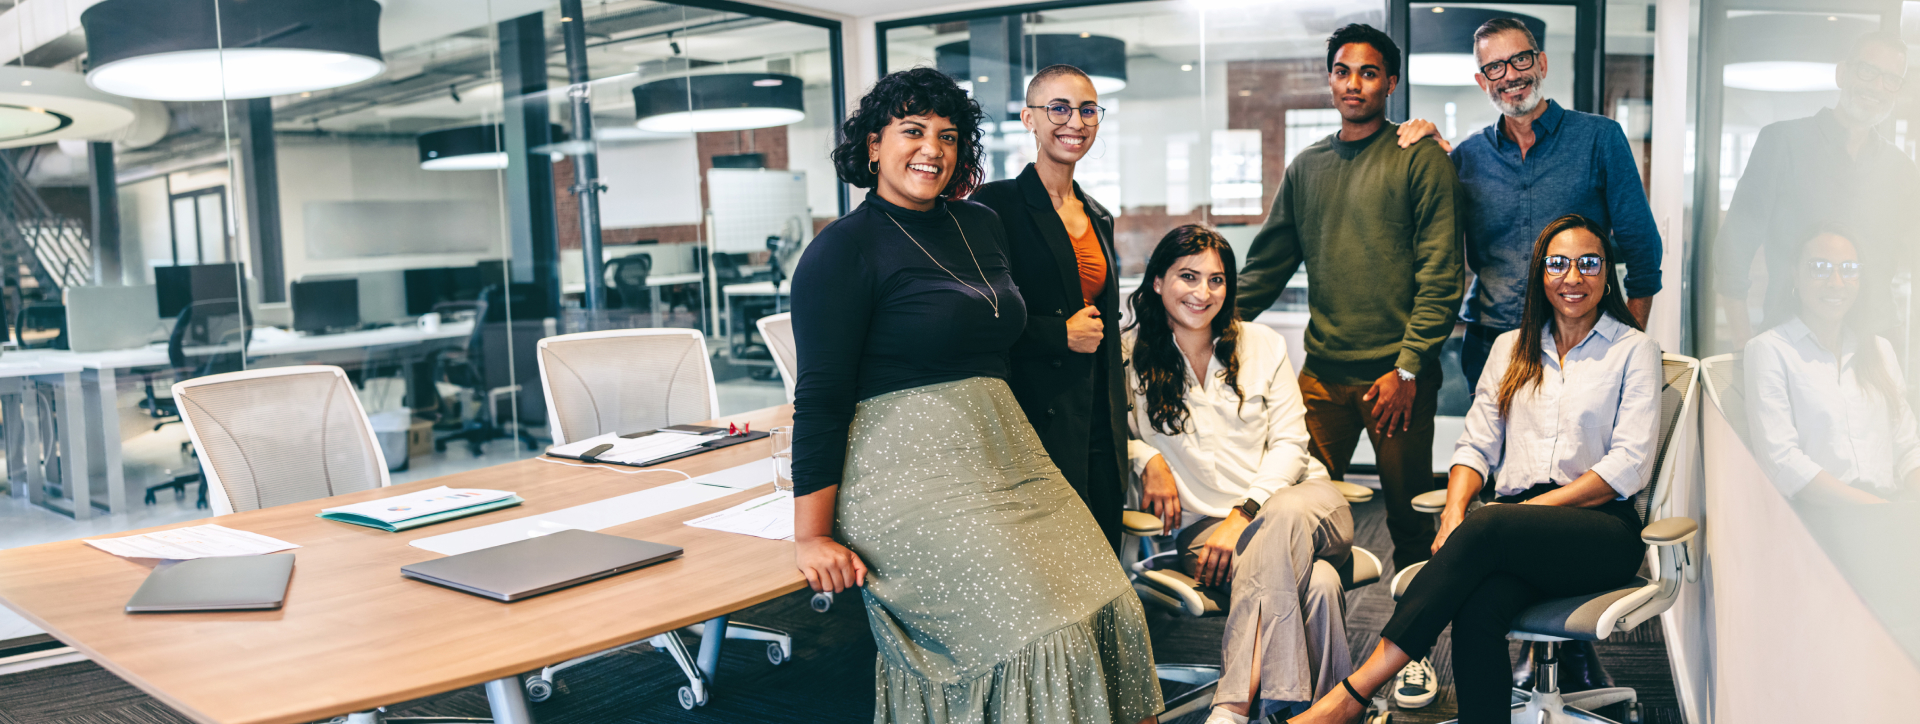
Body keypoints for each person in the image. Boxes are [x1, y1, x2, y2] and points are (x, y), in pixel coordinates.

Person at [786, 67, 1162, 724]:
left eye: (948, 136)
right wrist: (811, 537)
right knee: (1041, 635)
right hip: (904, 477)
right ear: (873, 145)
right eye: (912, 131)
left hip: (1005, 460)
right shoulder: (840, 252)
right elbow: (819, 401)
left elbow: (1005, 331)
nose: (932, 148)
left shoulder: (979, 227)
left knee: (1112, 599)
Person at [1286, 214, 1661, 724]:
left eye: (1588, 263)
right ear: (1540, 274)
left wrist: (1517, 514)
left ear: (1606, 273)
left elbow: (1629, 466)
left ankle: (1353, 693)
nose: (1573, 277)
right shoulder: (1511, 348)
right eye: (1558, 264)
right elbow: (1475, 446)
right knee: (1479, 606)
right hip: (1512, 529)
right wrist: (1453, 513)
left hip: (1599, 530)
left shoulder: (1633, 349)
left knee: (1489, 522)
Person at [1235, 25, 1463, 702]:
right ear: (1329, 79)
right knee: (1295, 512)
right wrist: (1203, 318)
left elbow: (1441, 273)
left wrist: (1410, 367)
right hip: (1322, 376)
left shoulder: (1419, 159)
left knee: (1406, 523)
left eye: (1369, 73)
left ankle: (1413, 654)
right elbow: (1268, 266)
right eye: (1342, 72)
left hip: (1399, 379)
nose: (1354, 84)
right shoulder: (1307, 168)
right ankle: (1296, 650)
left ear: (1389, 82)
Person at [1124, 225, 1356, 724]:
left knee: (1285, 517)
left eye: (1216, 280)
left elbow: (1293, 445)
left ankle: (1232, 704)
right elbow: (1100, 432)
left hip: (1304, 502)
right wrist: (1147, 457)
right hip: (1206, 530)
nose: (1203, 293)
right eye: (1188, 277)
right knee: (1317, 583)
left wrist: (1243, 514)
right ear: (1158, 282)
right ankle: (1321, 711)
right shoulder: (1129, 355)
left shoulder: (1262, 343)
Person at [1395, 16, 1663, 392]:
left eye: (1520, 59)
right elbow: (1425, 240)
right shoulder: (1466, 157)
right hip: (1489, 344)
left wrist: (1630, 348)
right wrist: (1425, 150)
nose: (1510, 75)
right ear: (1482, 81)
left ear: (1541, 64)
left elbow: (1644, 256)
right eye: (1494, 67)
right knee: (1490, 451)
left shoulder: (1600, 139)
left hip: (1580, 341)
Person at [971, 64, 1128, 552]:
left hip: (1097, 411)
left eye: (1087, 110)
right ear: (1029, 119)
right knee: (1051, 561)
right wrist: (1058, 334)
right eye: (1058, 108)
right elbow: (976, 318)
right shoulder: (993, 206)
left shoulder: (1098, 214)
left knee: (1101, 554)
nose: (1075, 122)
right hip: (1033, 412)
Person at [1713, 32, 1919, 354]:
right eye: (1868, 71)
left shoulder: (1903, 170)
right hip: (1791, 342)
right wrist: (1742, 340)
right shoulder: (1781, 142)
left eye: (1892, 80)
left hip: (1876, 347)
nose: (1878, 87)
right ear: (1843, 73)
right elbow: (1733, 247)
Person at [1744, 227, 1920, 505]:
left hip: (1886, 512)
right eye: (1819, 268)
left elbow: (1908, 446)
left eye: (1849, 269)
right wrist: (1873, 507)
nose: (1836, 282)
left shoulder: (1879, 350)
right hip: (1816, 521)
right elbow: (1783, 462)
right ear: (1795, 275)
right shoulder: (1770, 350)